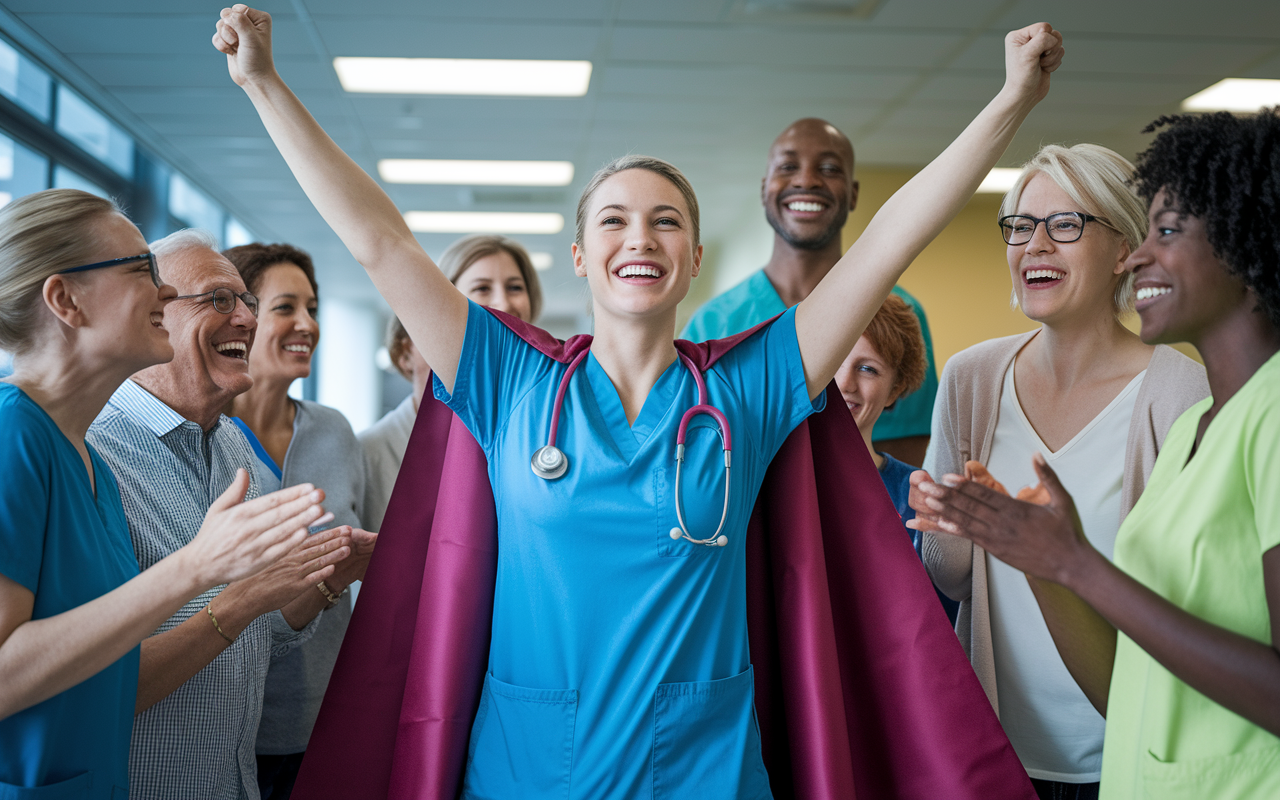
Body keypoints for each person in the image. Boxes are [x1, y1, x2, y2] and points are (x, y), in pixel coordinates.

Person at [215, 6, 1062, 796]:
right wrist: (263, 83)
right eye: (614, 221)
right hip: (530, 765)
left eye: (665, 222)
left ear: (694, 259)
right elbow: (379, 240)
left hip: (704, 767)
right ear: (581, 256)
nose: (640, 239)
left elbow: (888, 241)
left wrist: (1011, 100)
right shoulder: (509, 379)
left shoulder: (751, 387)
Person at [913, 109, 1280, 800]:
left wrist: (1066, 561)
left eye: (1065, 224)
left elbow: (1168, 611)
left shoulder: (1208, 401)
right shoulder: (975, 377)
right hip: (1042, 756)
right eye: (1019, 225)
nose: (1033, 244)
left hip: (1147, 759)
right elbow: (967, 584)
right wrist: (975, 530)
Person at [0, 190, 331, 798]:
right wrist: (199, 569)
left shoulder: (81, 452)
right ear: (65, 300)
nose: (162, 293)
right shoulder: (13, 433)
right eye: (139, 272)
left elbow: (108, 669)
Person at [85, 229, 371, 800]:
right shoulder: (92, 452)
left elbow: (257, 637)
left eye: (247, 302)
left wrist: (324, 581)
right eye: (220, 300)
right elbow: (90, 683)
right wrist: (237, 603)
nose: (247, 319)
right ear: (153, 314)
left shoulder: (231, 447)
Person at [680, 117, 939, 467]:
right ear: (764, 188)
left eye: (830, 168)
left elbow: (911, 446)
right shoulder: (713, 323)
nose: (806, 180)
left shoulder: (898, 310)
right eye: (788, 166)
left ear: (853, 194)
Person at [221, 241, 377, 799]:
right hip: (224, 727)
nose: (306, 324)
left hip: (324, 719)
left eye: (312, 308)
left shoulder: (334, 431)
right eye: (286, 307)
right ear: (238, 315)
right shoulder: (203, 439)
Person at [361, 234, 543, 531]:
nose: (503, 302)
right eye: (482, 288)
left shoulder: (535, 423)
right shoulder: (371, 452)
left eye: (515, 287)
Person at [835, 292, 958, 624]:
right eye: (833, 361)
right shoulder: (761, 481)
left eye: (868, 369)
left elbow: (938, 631)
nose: (844, 383)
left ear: (895, 388)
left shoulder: (921, 501)